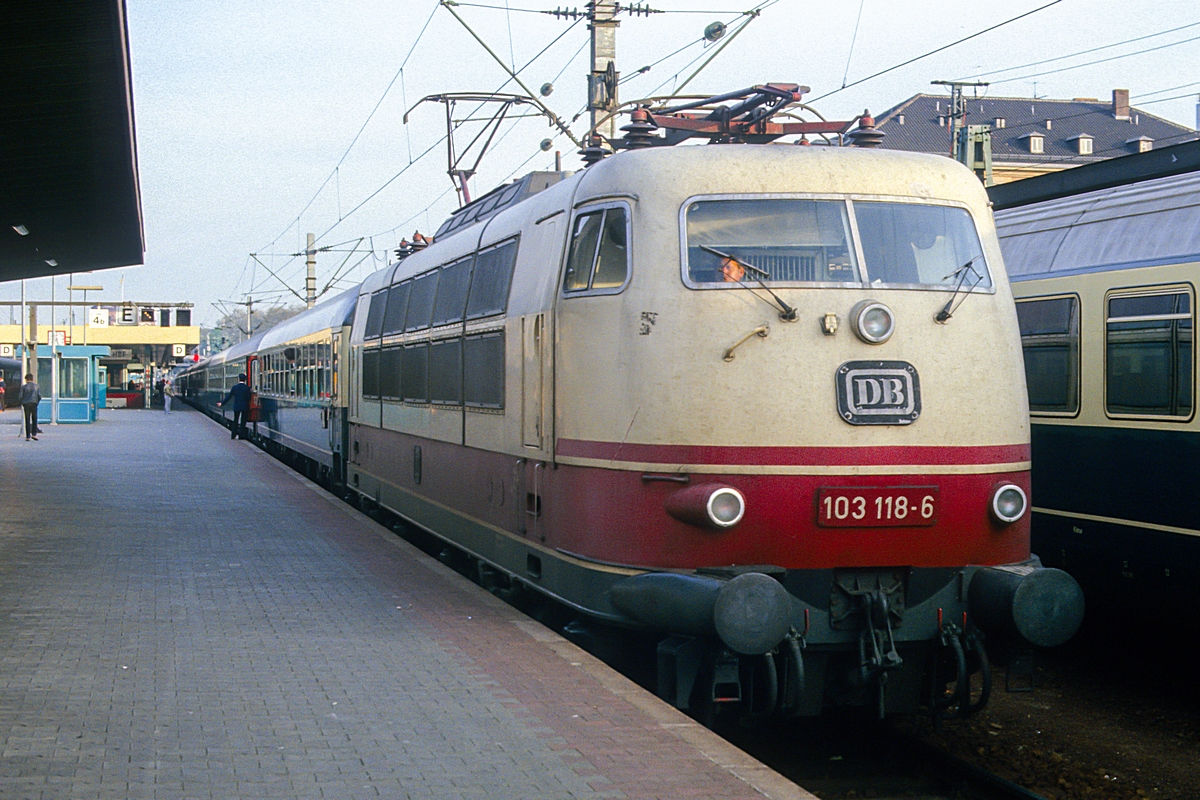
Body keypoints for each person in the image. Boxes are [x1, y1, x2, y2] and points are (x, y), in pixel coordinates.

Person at [218, 373, 251, 440]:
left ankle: (233, 435)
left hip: (237, 406)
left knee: (235, 420)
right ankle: (241, 435)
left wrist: (222, 403)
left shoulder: (235, 387)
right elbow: (249, 398)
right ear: (245, 380)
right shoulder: (247, 388)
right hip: (245, 407)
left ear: (239, 379)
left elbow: (229, 396)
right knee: (243, 422)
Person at [18, 373, 40, 441]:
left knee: (27, 419)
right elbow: (39, 396)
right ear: (32, 379)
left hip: (26, 404)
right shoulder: (37, 386)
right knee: (34, 419)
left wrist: (22, 403)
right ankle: (34, 434)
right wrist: (36, 402)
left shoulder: (23, 387)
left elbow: (20, 397)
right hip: (34, 403)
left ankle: (28, 436)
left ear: (26, 379)